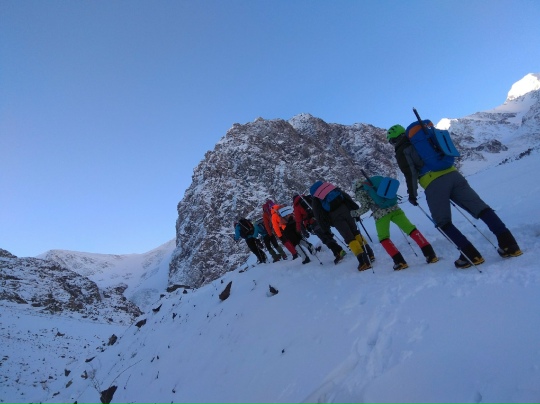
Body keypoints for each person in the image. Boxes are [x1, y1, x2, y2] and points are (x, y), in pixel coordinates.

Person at [386, 123, 522, 268]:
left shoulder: (402, 149)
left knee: (442, 221)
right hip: (453, 174)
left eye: (392, 141)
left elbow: (410, 173)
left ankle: (470, 254)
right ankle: (509, 244)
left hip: (434, 183)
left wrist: (412, 195)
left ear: (394, 140)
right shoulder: (424, 139)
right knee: (480, 208)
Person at [351, 176, 438, 270]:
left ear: (355, 188)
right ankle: (431, 255)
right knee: (411, 229)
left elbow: (365, 207)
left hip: (381, 215)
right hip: (395, 208)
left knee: (383, 238)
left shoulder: (360, 192)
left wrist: (354, 213)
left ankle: (400, 262)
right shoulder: (373, 182)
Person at [310, 181, 375, 271]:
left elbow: (318, 216)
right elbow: (347, 197)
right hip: (347, 211)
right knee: (355, 232)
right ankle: (370, 254)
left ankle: (363, 262)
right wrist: (355, 210)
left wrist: (325, 229)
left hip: (335, 217)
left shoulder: (316, 198)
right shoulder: (331, 188)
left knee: (349, 238)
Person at [292, 194, 347, 264]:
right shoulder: (308, 198)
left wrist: (299, 230)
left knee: (324, 238)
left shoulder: (297, 206)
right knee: (328, 235)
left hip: (313, 223)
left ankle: (337, 253)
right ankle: (339, 250)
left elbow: (298, 220)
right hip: (321, 219)